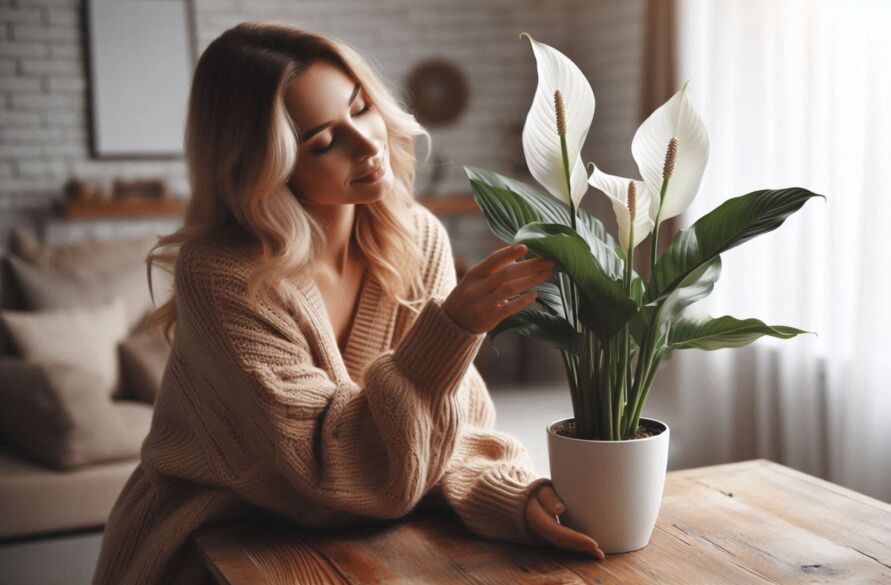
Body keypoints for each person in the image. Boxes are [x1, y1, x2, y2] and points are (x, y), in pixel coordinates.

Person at [92, 21, 603, 584]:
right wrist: (451, 330)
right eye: (323, 141)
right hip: (216, 538)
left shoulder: (417, 237)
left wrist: (503, 495)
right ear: (265, 166)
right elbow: (326, 474)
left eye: (361, 107)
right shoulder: (221, 276)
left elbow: (443, 425)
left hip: (362, 529)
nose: (367, 142)